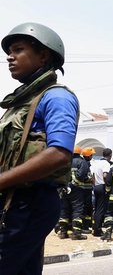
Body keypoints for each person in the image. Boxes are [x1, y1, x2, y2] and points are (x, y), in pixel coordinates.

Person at [0, 22, 79, 274]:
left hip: (28, 203)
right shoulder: (20, 102)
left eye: (18, 49)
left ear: (43, 55)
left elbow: (59, 154)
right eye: (8, 52)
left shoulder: (56, 97)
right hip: (14, 202)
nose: (9, 57)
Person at [92, 147, 113, 236]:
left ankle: (95, 227)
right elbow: (105, 176)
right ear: (110, 155)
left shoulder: (97, 163)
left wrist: (95, 184)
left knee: (97, 208)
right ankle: (97, 229)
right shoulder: (106, 164)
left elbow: (92, 176)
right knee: (101, 209)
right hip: (102, 187)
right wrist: (107, 186)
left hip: (96, 186)